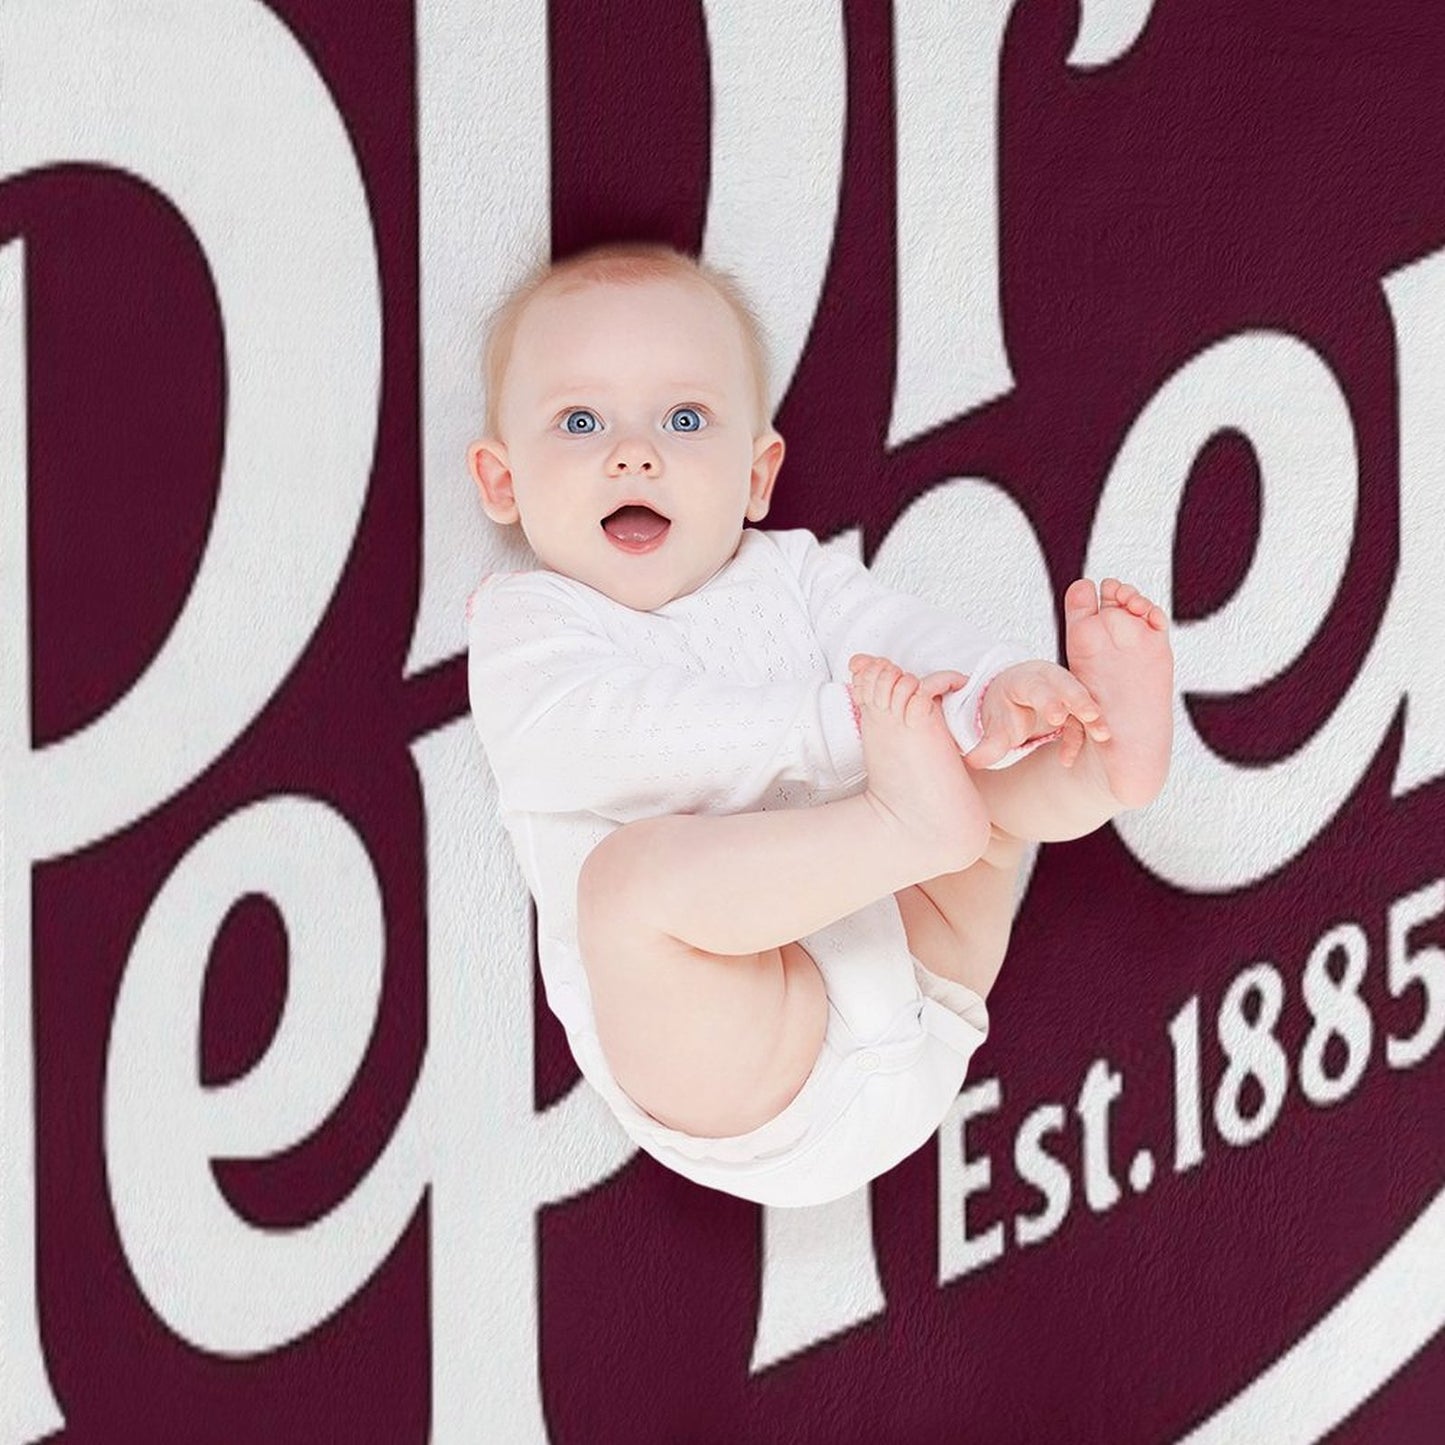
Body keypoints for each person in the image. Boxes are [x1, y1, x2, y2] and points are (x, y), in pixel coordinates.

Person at [464, 240, 1174, 1207]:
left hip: (923, 970)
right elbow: (614, 739)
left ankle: (1093, 764)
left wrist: (991, 690)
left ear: (756, 476)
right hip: (753, 1065)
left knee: (971, 762)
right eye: (580, 421)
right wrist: (845, 729)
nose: (635, 453)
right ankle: (913, 822)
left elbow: (900, 639)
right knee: (627, 887)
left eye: (684, 419)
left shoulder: (790, 571)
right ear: (502, 483)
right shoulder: (529, 625)